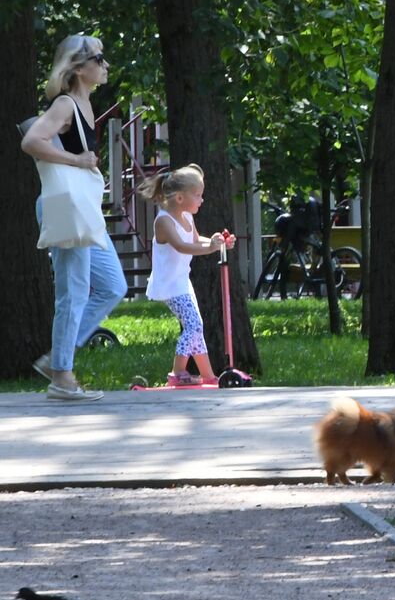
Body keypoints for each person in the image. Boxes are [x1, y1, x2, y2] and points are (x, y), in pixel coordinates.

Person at [20, 35, 129, 401]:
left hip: (82, 209)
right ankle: (62, 377)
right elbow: (32, 140)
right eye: (99, 59)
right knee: (73, 292)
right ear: (79, 68)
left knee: (113, 285)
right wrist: (77, 160)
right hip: (65, 207)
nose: (105, 65)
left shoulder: (85, 104)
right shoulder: (65, 105)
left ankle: (58, 359)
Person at [135, 164, 235, 386]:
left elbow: (195, 240)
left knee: (195, 327)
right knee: (194, 325)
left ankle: (208, 376)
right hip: (169, 285)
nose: (201, 200)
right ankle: (177, 373)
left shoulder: (187, 217)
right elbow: (181, 246)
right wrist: (209, 249)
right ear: (180, 198)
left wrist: (216, 243)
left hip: (182, 282)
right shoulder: (164, 221)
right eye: (197, 195)